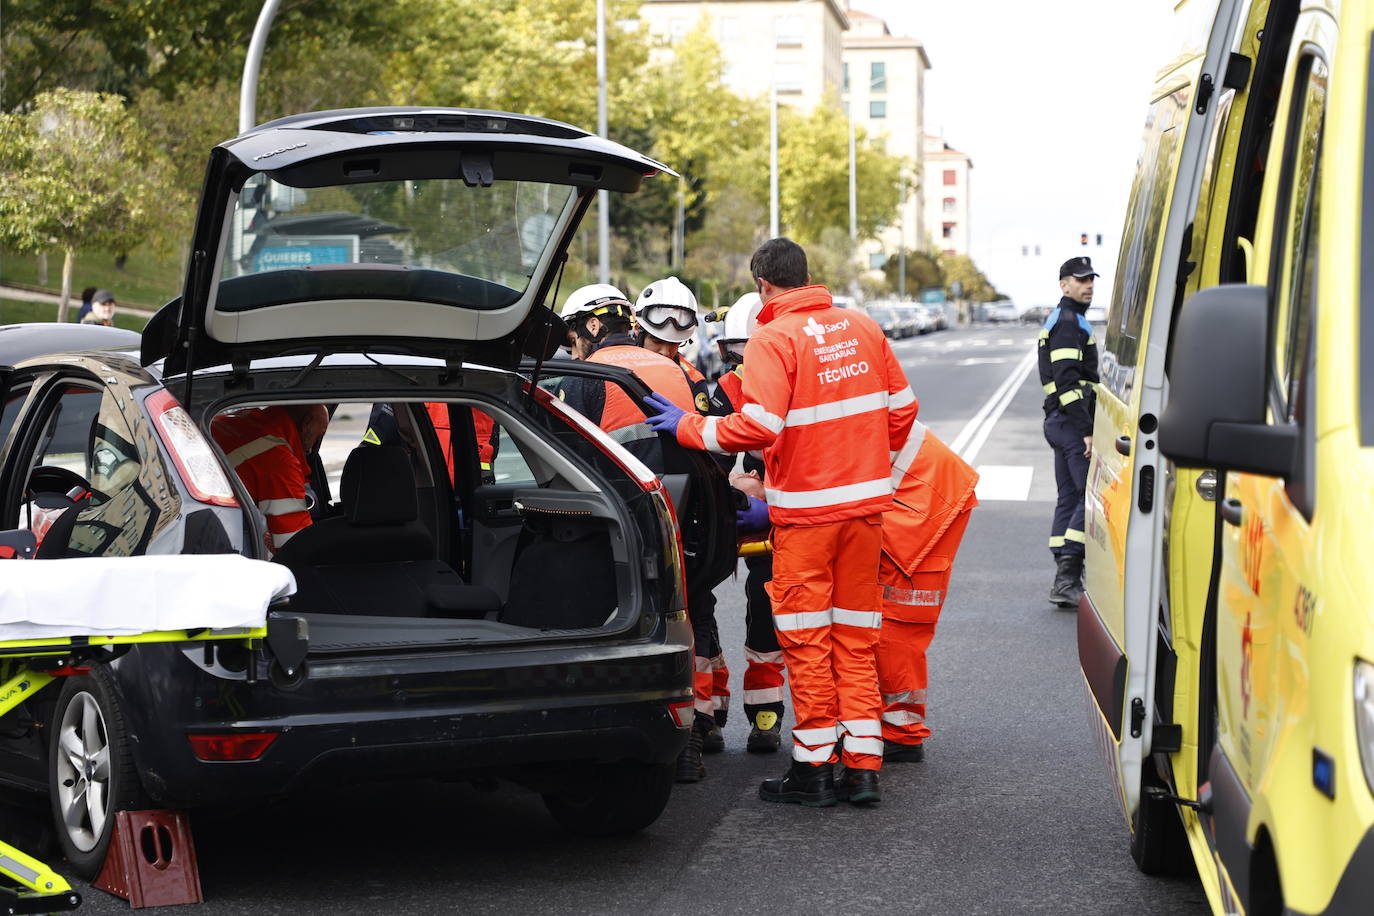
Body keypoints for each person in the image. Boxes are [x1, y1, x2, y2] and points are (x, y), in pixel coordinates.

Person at [644, 238, 917, 808]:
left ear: (763, 286)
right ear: (807, 276)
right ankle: (862, 767)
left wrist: (688, 429)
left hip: (809, 519)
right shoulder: (864, 327)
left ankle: (814, 769)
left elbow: (756, 427)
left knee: (809, 639)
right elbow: (902, 412)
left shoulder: (774, 338)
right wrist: (859, 462)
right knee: (854, 638)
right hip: (865, 513)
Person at [560, 283, 721, 783]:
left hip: (616, 529)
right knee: (685, 623)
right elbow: (709, 445)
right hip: (681, 524)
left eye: (572, 337)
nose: (571, 349)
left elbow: (564, 460)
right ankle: (693, 732)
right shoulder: (676, 370)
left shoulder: (586, 375)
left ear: (590, 327)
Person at [706, 292, 787, 754]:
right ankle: (718, 713)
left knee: (766, 606)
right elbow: (710, 452)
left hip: (777, 518)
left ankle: (761, 713)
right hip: (752, 513)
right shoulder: (725, 390)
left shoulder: (788, 387)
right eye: (733, 356)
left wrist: (768, 503)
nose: (738, 365)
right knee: (706, 605)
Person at [877, 420, 978, 761]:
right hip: (915, 489)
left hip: (921, 497)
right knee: (888, 615)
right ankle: (893, 723)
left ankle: (902, 732)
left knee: (898, 619)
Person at [1040, 256, 1101, 609]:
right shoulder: (1068, 324)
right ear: (1064, 284)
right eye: (1080, 280)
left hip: (1057, 421)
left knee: (1068, 496)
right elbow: (1067, 382)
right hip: (1070, 421)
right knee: (1083, 497)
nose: (1088, 285)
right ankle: (1067, 577)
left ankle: (1064, 576)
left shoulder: (1067, 319)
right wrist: (1087, 430)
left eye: (1091, 279)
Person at [211, 404, 329, 555]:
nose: (312, 448)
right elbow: (295, 544)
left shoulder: (232, 421)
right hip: (221, 538)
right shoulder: (278, 460)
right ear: (306, 424)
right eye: (319, 434)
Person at [635, 276, 711, 414]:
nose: (664, 352)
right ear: (637, 329)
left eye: (673, 343)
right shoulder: (617, 368)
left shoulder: (693, 381)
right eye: (656, 341)